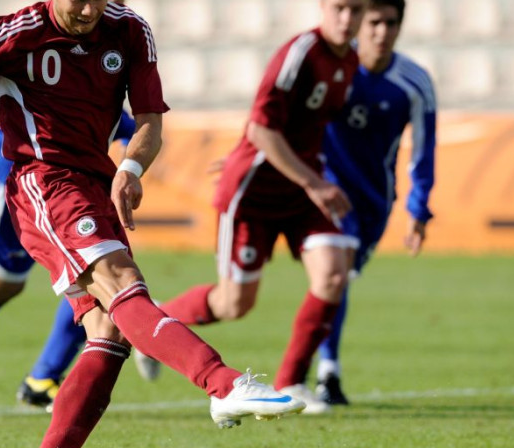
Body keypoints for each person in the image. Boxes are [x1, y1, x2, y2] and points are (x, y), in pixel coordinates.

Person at [0, 1, 305, 446]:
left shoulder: (130, 30)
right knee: (118, 284)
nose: (88, 11)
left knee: (109, 330)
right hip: (44, 183)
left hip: (96, 184)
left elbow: (149, 121)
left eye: (97, 0)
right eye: (78, 0)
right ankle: (222, 384)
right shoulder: (17, 33)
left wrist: (131, 168)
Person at [137, 0, 370, 414]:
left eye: (356, 10)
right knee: (234, 304)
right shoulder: (299, 53)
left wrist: (307, 178)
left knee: (333, 274)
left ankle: (293, 382)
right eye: (340, 8)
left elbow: (302, 128)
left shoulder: (350, 58)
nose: (348, 19)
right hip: (253, 194)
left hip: (300, 191)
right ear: (322, 7)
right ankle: (155, 328)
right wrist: (306, 178)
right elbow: (261, 128)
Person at [0, 109, 134, 411]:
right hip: (6, 175)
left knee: (92, 273)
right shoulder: (54, 68)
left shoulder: (97, 78)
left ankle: (42, 380)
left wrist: (126, 169)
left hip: (60, 187)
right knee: (2, 284)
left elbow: (129, 128)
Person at [314, 0, 436, 405]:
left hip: (374, 201)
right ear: (359, 24)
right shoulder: (331, 68)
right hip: (326, 190)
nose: (382, 31)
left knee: (339, 278)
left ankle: (164, 318)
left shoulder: (414, 82)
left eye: (391, 23)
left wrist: (418, 209)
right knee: (336, 274)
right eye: (375, 22)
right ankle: (326, 373)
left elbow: (423, 151)